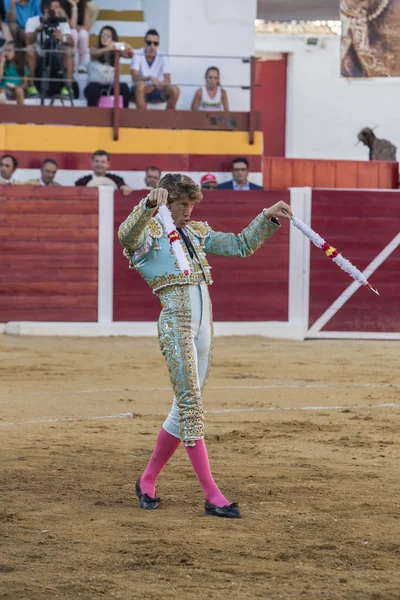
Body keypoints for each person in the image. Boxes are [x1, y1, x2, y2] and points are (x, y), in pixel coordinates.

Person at [118, 173, 292, 518]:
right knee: (191, 406)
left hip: (204, 329)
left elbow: (239, 245)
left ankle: (147, 478)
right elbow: (126, 235)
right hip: (176, 326)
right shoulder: (149, 236)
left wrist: (267, 216)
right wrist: (148, 205)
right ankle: (212, 495)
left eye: (192, 204)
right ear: (168, 201)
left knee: (181, 410)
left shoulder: (196, 233)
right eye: (183, 204)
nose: (189, 211)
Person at [25, 0, 74, 99]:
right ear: (46, 10)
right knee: (29, 49)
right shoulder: (33, 21)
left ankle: (68, 89)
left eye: (58, 7)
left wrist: (62, 38)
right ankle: (31, 88)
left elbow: (71, 42)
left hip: (56, 56)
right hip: (39, 57)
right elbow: (28, 41)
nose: (58, 10)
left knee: (68, 50)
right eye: (55, 7)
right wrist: (39, 29)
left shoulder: (62, 22)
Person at [130, 28, 179, 110]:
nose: (152, 46)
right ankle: (141, 118)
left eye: (155, 43)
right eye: (149, 43)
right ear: (144, 43)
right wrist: (149, 78)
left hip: (155, 90)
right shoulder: (137, 54)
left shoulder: (162, 56)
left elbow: (168, 80)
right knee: (140, 86)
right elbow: (134, 77)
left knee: (175, 90)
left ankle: (169, 119)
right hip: (139, 91)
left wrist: (154, 86)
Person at [84, 25, 132, 108]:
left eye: (108, 36)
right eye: (103, 35)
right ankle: (91, 117)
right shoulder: (95, 49)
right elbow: (93, 53)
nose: (104, 38)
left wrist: (125, 47)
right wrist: (108, 48)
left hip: (112, 86)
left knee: (124, 87)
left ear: (113, 38)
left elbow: (130, 54)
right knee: (93, 88)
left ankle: (124, 115)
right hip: (96, 85)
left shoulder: (116, 51)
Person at [62, 0, 90, 73]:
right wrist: (74, 7)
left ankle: (81, 64)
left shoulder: (84, 7)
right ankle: (72, 62)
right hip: (66, 32)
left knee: (83, 33)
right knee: (74, 33)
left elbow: (86, 26)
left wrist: (78, 28)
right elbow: (72, 26)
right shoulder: (62, 6)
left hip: (79, 31)